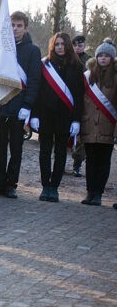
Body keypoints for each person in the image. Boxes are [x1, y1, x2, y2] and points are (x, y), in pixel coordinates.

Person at [0, 11, 42, 199]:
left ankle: (11, 184)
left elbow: (34, 80)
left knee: (15, 148)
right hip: (0, 105)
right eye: (12, 25)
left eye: (19, 26)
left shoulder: (33, 51)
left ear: (25, 28)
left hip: (19, 107)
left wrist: (28, 105)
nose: (15, 29)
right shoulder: (0, 49)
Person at [31, 32, 84, 203]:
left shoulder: (76, 66)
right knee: (45, 151)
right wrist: (35, 115)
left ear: (67, 46)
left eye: (62, 44)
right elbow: (38, 91)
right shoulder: (45, 64)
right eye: (57, 44)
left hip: (65, 116)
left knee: (60, 152)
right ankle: (45, 186)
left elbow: (78, 95)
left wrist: (76, 119)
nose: (60, 47)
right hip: (45, 115)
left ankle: (54, 187)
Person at [80, 41, 117, 206]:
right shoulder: (88, 76)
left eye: (106, 56)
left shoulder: (115, 77)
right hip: (89, 125)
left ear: (112, 58)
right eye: (100, 55)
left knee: (103, 161)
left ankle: (98, 193)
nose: (103, 59)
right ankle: (90, 192)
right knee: (90, 160)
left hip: (107, 125)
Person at [71, 34, 89, 177]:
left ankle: (77, 164)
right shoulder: (66, 58)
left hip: (83, 99)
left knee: (81, 136)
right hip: (66, 99)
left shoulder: (89, 61)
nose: (78, 47)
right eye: (75, 45)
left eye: (80, 45)